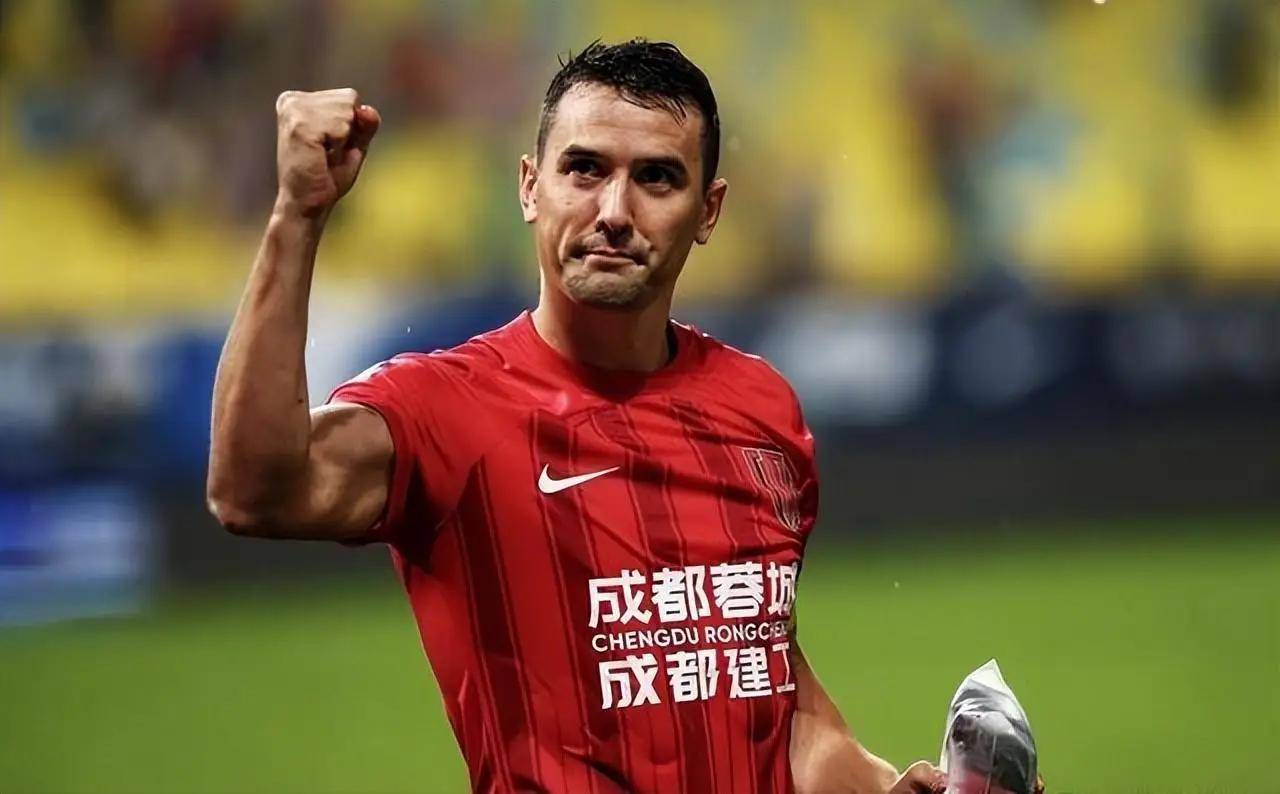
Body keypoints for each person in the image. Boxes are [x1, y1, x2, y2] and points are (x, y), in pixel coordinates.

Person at [208, 38, 945, 794]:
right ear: (531, 187)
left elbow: (773, 698)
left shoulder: (761, 408)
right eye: (585, 169)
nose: (615, 212)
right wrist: (297, 215)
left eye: (657, 177)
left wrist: (887, 788)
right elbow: (251, 492)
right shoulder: (442, 408)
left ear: (708, 211)